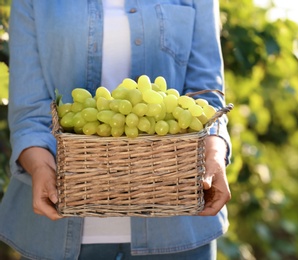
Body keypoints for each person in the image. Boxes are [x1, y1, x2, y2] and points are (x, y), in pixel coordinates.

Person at [0, 0, 232, 259]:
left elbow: (207, 102)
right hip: (57, 232)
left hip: (178, 229)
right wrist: (41, 166)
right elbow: (29, 111)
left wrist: (214, 156)